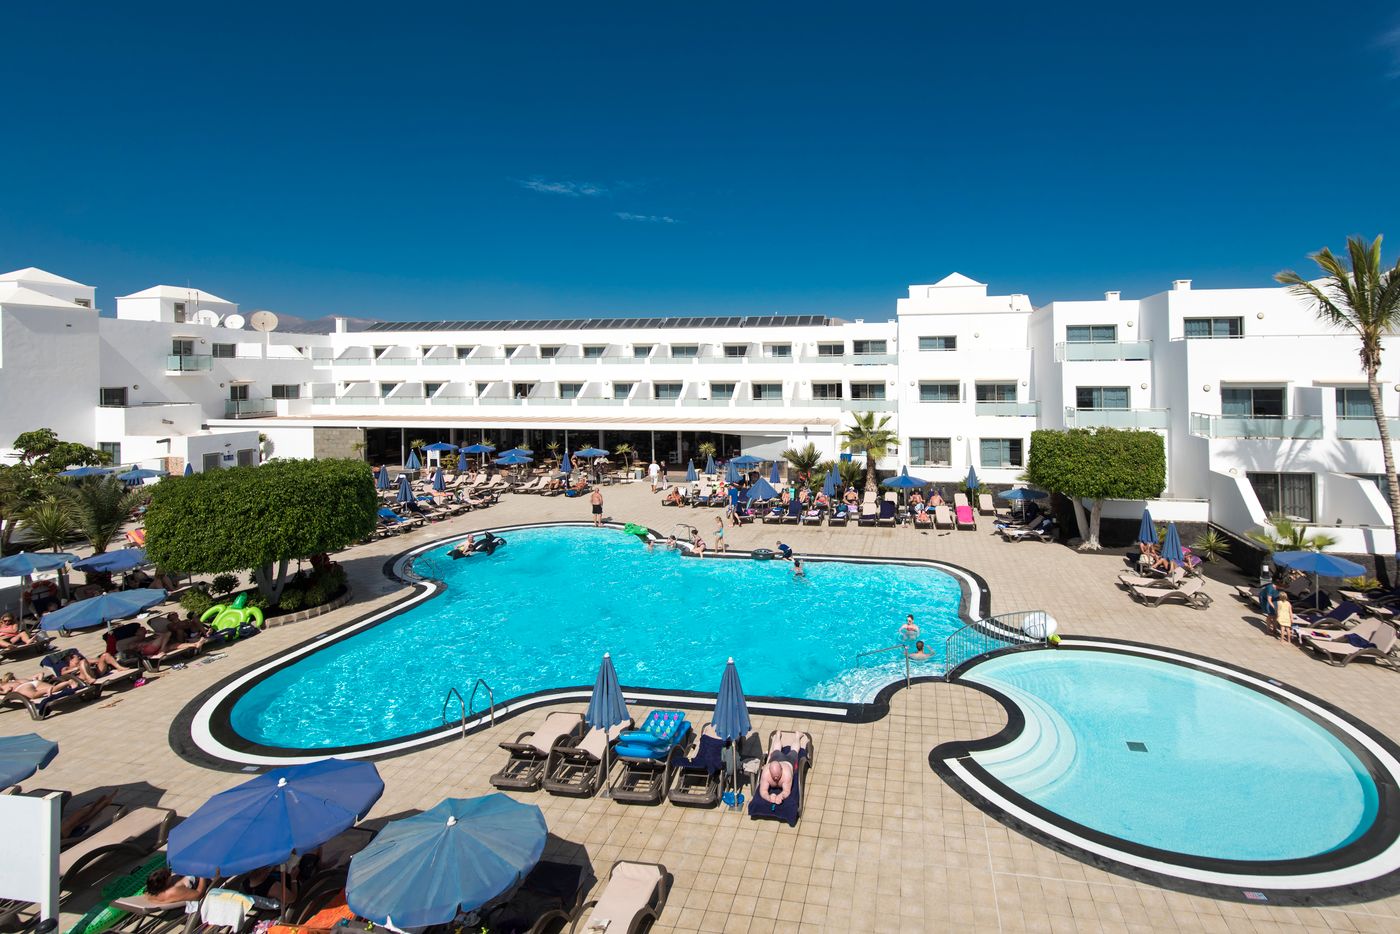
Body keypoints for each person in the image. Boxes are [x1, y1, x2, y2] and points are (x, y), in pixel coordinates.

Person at [144, 867, 209, 905]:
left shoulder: (150, 893)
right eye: (168, 875)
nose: (170, 875)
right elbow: (199, 895)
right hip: (196, 883)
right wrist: (203, 876)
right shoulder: (173, 891)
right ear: (165, 883)